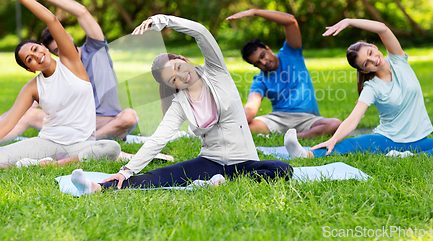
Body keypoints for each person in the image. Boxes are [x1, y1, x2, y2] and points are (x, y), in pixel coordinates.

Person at [69, 15, 293, 194]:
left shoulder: (216, 72)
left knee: (282, 169)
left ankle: (222, 180)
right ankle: (97, 188)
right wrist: (126, 171)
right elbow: (158, 139)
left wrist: (164, 20)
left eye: (177, 67)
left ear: (183, 59)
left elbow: (201, 32)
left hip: (244, 161)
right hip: (210, 161)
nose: (180, 77)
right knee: (161, 175)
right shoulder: (180, 103)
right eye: (172, 79)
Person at [0, 0, 121, 170]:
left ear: (44, 47)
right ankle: (35, 163)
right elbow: (11, 120)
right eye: (30, 59)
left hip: (81, 144)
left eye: (35, 49)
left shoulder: (71, 63)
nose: (36, 55)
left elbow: (51, 20)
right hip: (47, 142)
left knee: (110, 147)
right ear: (30, 69)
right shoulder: (32, 87)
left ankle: (50, 166)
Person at [284, 18, 433, 159]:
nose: (374, 60)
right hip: (388, 139)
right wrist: (333, 139)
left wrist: (350, 21)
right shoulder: (371, 87)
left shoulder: (398, 60)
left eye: (371, 53)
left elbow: (382, 28)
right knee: (351, 144)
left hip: (419, 139)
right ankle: (306, 155)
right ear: (364, 70)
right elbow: (353, 119)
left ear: (374, 47)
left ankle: (411, 156)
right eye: (367, 63)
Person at [226, 9, 341, 138]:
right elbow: (251, 106)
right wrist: (234, 125)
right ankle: (291, 136)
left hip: (307, 118)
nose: (264, 62)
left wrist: (255, 12)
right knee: (244, 128)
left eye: (263, 55)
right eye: (258, 63)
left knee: (335, 124)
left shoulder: (291, 53)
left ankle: (293, 137)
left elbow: (291, 21)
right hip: (277, 120)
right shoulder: (260, 80)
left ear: (268, 48)